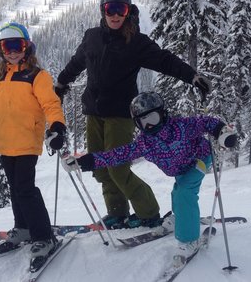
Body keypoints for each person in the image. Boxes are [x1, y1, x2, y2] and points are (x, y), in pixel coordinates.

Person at [54, 0, 211, 229]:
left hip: (119, 115)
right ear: (103, 11)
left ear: (128, 12)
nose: (115, 15)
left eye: (121, 9)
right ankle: (117, 212)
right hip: (93, 113)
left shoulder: (136, 42)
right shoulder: (92, 37)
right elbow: (76, 63)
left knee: (117, 167)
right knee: (100, 167)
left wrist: (192, 76)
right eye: (110, 9)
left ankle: (149, 213)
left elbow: (164, 60)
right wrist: (61, 83)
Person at [62, 91, 237, 266]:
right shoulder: (144, 143)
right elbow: (116, 155)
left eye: (152, 118)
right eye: (142, 122)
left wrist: (221, 131)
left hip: (199, 159)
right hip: (179, 169)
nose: (149, 126)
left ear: (162, 113)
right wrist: (84, 162)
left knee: (185, 192)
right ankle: (179, 218)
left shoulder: (182, 127)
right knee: (178, 191)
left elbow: (206, 122)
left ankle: (189, 240)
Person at [0, 22, 66, 265]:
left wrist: (57, 126)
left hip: (28, 140)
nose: (11, 51)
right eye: (5, 46)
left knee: (25, 188)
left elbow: (51, 104)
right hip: (5, 142)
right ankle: (23, 228)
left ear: (26, 46)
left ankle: (43, 235)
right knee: (14, 188)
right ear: (0, 50)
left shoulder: (37, 76)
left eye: (16, 45)